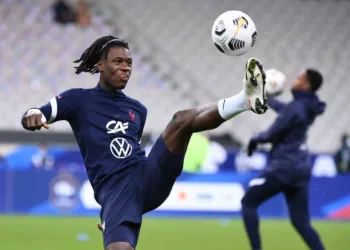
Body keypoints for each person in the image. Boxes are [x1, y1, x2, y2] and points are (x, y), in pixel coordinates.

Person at [21, 35, 267, 250]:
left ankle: (244, 100)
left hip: (147, 174)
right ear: (100, 66)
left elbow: (129, 152)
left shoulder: (137, 109)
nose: (125, 68)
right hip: (116, 192)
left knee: (180, 121)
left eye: (129, 63)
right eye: (118, 62)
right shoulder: (78, 99)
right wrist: (33, 115)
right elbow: (38, 112)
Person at [241, 69, 326, 250]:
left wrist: (254, 139)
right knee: (301, 223)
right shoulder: (307, 105)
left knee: (248, 202)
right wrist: (266, 97)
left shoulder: (297, 107)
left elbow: (271, 134)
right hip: (301, 170)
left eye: (299, 77)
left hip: (284, 168)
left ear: (307, 85)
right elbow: (286, 110)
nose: (295, 80)